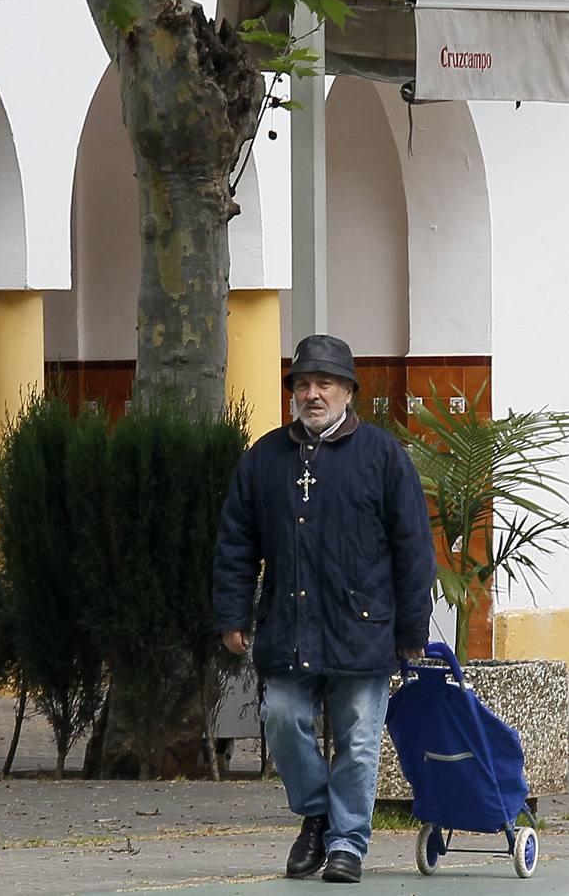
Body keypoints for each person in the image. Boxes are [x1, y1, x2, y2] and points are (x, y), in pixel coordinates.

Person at [213, 334, 436, 884]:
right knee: (282, 720)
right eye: (304, 384)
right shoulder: (264, 458)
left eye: (325, 384)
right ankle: (315, 814)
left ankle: (347, 844)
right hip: (288, 627)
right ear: (292, 391)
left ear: (348, 391)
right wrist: (233, 615)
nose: (313, 394)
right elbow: (236, 543)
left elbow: (413, 546)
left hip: (363, 629)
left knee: (360, 740)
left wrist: (411, 627)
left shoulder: (383, 457)